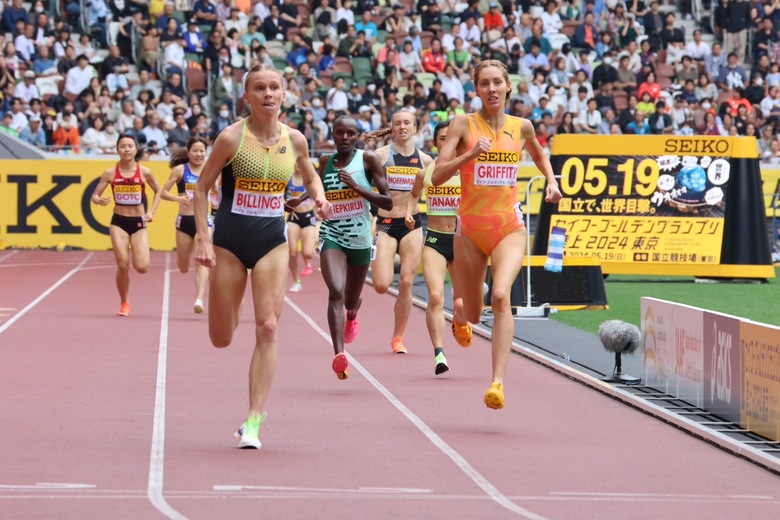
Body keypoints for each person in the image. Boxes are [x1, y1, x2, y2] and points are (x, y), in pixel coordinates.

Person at [193, 64, 333, 449]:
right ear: (247, 98)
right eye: (260, 88)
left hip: (273, 240)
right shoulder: (231, 139)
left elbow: (311, 173)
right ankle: (230, 308)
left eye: (274, 88)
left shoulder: (296, 139)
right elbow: (201, 189)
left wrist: (318, 196)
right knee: (221, 337)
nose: (268, 94)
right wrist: (203, 238)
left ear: (284, 96)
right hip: (230, 243)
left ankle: (253, 420)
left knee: (268, 326)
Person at [432, 60, 561, 410]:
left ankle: (497, 383)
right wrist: (470, 154)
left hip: (508, 227)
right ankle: (460, 314)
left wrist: (551, 180)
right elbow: (437, 177)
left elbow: (539, 153)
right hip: (470, 231)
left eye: (497, 83)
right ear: (476, 90)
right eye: (484, 83)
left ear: (508, 87)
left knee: (502, 296)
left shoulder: (523, 127)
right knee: (475, 313)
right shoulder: (463, 124)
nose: (491, 89)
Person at [307, 116, 392, 379]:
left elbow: (387, 202)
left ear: (357, 136)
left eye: (350, 133)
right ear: (332, 134)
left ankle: (353, 313)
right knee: (335, 290)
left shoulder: (368, 161)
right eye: (339, 133)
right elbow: (317, 188)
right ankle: (339, 354)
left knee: (350, 299)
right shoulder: (325, 162)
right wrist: (296, 200)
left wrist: (356, 187)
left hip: (360, 240)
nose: (344, 138)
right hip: (332, 233)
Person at [366, 108, 433, 354]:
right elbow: (364, 188)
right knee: (382, 285)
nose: (403, 126)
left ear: (415, 128)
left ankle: (398, 337)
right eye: (398, 123)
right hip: (385, 224)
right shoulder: (380, 156)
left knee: (406, 282)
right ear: (392, 128)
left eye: (407, 123)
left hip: (412, 225)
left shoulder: (426, 160)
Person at [409, 121, 461, 375]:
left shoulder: (469, 171)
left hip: (463, 242)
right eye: (442, 138)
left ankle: (460, 319)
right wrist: (410, 213)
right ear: (436, 142)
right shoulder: (425, 173)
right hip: (435, 241)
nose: (447, 143)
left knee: (462, 303)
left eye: (451, 138)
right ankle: (439, 353)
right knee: (436, 297)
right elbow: (413, 196)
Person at [91, 134, 162, 316]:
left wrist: (151, 212)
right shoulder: (110, 173)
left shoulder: (145, 172)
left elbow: (158, 191)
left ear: (136, 149)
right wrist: (98, 200)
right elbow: (95, 195)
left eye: (130, 146)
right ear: (117, 150)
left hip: (138, 222)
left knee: (142, 267)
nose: (127, 149)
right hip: (119, 222)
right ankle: (124, 302)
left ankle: (126, 296)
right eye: (123, 146)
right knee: (122, 265)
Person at [155, 137, 212, 313]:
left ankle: (200, 299)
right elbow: (162, 193)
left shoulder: (210, 170)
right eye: (195, 150)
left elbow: (218, 192)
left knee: (201, 261)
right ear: (188, 152)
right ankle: (183, 263)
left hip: (203, 221)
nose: (199, 154)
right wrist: (178, 198)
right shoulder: (180, 170)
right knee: (183, 266)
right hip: (184, 221)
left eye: (202, 150)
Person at [285, 166, 318, 293]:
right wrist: (289, 208)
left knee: (308, 253)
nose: (298, 166)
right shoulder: (289, 179)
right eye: (295, 163)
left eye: (300, 163)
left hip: (308, 215)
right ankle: (296, 281)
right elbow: (284, 196)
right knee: (292, 252)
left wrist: (317, 210)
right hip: (294, 217)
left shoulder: (308, 178)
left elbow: (317, 194)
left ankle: (308, 262)